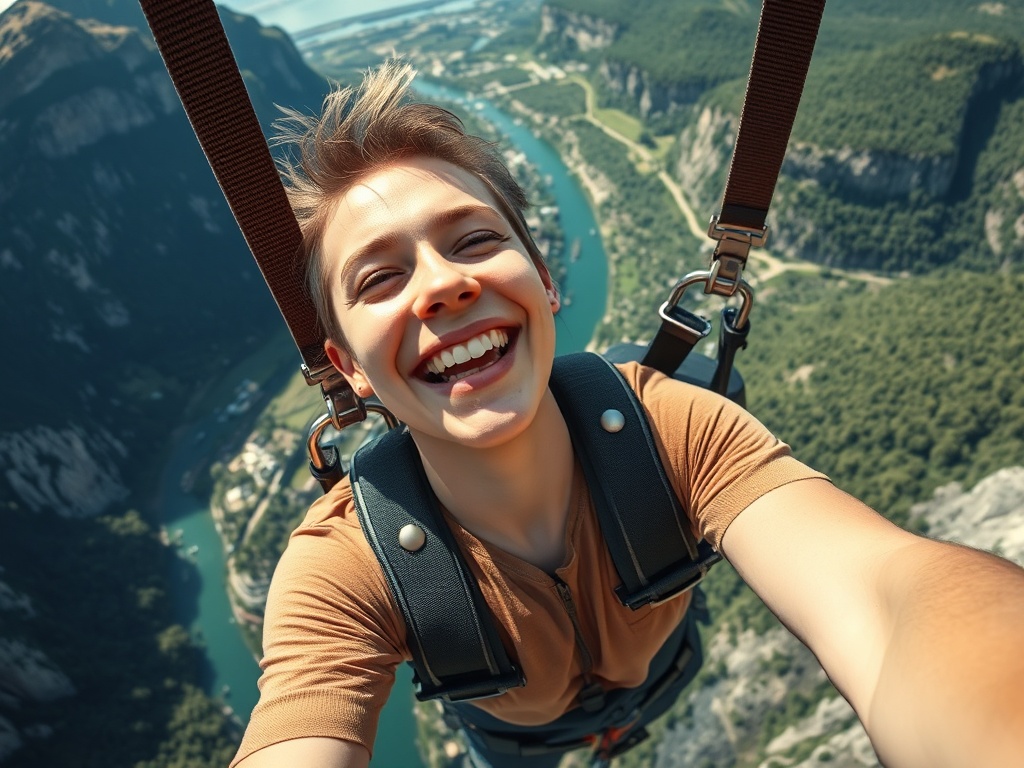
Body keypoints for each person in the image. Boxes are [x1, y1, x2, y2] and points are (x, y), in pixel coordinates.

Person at [231, 62, 1024, 768]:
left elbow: (884, 599)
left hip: (635, 687)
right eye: (378, 280)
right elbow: (298, 725)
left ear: (545, 285)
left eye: (472, 241)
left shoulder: (671, 429)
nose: (441, 284)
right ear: (349, 370)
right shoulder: (343, 567)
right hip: (523, 744)